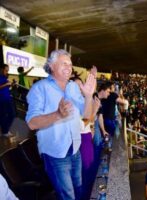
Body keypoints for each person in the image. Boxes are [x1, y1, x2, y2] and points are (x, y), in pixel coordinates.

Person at [26, 49, 97, 200]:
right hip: (56, 154)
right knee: (67, 196)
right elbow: (32, 123)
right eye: (64, 63)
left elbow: (87, 117)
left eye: (70, 64)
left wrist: (89, 96)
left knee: (78, 190)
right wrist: (57, 115)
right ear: (51, 65)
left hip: (75, 150)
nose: (69, 67)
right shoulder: (39, 88)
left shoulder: (72, 86)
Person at [0, 64, 15, 137]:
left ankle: (5, 130)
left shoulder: (4, 78)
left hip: (8, 99)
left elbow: (6, 87)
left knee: (12, 115)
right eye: (6, 70)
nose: (7, 72)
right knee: (3, 116)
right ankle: (5, 131)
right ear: (1, 69)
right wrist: (6, 84)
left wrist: (11, 85)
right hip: (2, 100)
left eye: (7, 70)